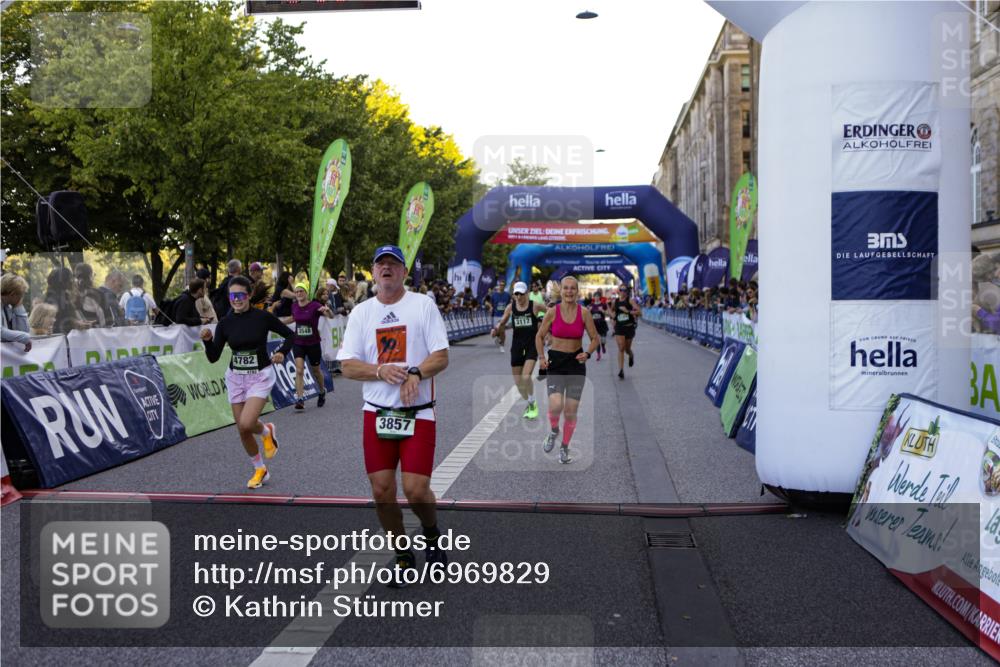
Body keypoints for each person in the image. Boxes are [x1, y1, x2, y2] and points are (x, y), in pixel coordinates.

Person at [337, 244, 450, 584]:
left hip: (417, 413)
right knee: (382, 491)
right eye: (381, 264)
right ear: (373, 271)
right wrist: (379, 371)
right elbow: (347, 366)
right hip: (377, 412)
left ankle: (431, 534)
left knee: (415, 491)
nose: (387, 269)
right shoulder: (361, 313)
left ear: (403, 272)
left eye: (393, 264)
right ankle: (402, 555)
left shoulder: (422, 306)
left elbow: (441, 356)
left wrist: (415, 372)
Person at [201, 276, 294, 489]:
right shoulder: (225, 323)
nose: (237, 300)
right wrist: (207, 342)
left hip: (260, 376)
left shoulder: (262, 317)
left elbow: (290, 335)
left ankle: (266, 432)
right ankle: (260, 468)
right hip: (236, 377)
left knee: (246, 422)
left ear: (249, 295)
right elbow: (214, 356)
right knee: (242, 429)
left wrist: (281, 352)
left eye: (241, 295)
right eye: (233, 296)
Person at [535, 275, 599, 464]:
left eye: (573, 288)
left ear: (577, 291)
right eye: (566, 288)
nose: (569, 291)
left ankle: (564, 447)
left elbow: (595, 338)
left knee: (570, 411)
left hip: (576, 365)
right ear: (561, 291)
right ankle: (554, 431)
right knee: (556, 406)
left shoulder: (584, 313)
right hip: (556, 363)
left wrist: (587, 353)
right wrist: (541, 358)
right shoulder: (552, 312)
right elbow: (539, 336)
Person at [491, 281, 546, 419]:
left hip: (532, 345)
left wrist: (547, 328)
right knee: (518, 383)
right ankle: (530, 402)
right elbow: (503, 321)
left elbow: (552, 314)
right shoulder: (511, 307)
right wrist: (496, 329)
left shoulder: (535, 306)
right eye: (516, 294)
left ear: (526, 293)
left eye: (521, 294)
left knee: (526, 377)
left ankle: (533, 404)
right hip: (517, 346)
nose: (519, 297)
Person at [282, 282, 332, 410]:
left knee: (316, 370)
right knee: (299, 370)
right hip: (298, 342)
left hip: (313, 343)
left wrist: (328, 310)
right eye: (297, 292)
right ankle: (300, 398)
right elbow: (293, 318)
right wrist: (278, 322)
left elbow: (329, 316)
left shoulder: (315, 305)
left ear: (306, 293)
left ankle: (321, 391)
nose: (299, 294)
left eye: (301, 291)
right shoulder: (294, 306)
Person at [612, 284, 641, 380]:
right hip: (619, 328)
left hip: (629, 328)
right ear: (618, 291)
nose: (623, 292)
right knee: (621, 348)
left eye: (625, 290)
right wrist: (613, 319)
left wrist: (627, 311)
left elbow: (639, 312)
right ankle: (621, 370)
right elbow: (613, 313)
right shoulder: (615, 302)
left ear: (627, 292)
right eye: (621, 290)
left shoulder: (630, 300)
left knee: (627, 349)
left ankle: (631, 355)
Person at [1, 273, 32, 351]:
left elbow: (23, 331)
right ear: (12, 294)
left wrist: (19, 307)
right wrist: (24, 337)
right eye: (21, 295)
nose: (21, 298)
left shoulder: (9, 306)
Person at [74, 263, 107, 328]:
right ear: (90, 275)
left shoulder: (71, 295)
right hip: (98, 333)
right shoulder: (99, 293)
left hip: (78, 333)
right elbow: (108, 317)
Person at [588, 296, 609, 361]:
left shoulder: (603, 304)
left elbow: (608, 313)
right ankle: (598, 354)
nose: (596, 298)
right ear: (594, 297)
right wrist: (589, 310)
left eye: (597, 296)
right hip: (594, 325)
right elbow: (586, 314)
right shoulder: (591, 305)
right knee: (596, 340)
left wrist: (602, 310)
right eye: (595, 296)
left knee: (603, 339)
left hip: (602, 324)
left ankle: (603, 345)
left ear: (599, 297)